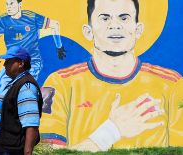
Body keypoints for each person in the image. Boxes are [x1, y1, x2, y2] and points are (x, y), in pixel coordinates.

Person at [39, 0, 183, 152]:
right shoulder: (59, 83)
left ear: (138, 30)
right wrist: (111, 131)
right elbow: (46, 152)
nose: (115, 25)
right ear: (88, 31)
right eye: (105, 18)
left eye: (124, 18)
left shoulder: (173, 84)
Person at [0, 46, 43, 155]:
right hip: (3, 146)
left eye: (8, 61)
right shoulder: (13, 84)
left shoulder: (26, 87)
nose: (4, 64)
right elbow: (2, 116)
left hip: (13, 150)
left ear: (21, 64)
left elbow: (31, 124)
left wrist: (27, 152)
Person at [0, 0, 66, 93]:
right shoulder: (3, 19)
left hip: (32, 61)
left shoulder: (31, 17)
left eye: (12, 3)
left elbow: (55, 24)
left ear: (19, 4)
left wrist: (59, 47)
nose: (8, 7)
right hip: (12, 62)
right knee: (4, 92)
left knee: (23, 88)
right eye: (7, 4)